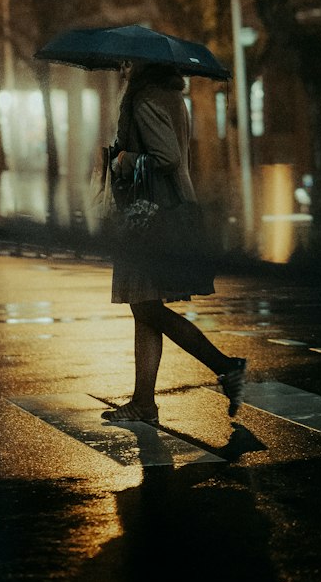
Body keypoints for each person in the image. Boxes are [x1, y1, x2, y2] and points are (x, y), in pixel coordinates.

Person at [100, 60, 247, 427]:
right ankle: (144, 402)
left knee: (146, 308)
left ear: (141, 65)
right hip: (165, 209)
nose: (123, 66)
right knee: (144, 306)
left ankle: (225, 366)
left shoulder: (145, 99)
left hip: (153, 215)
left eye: (128, 61)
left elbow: (166, 157)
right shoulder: (170, 97)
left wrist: (122, 159)